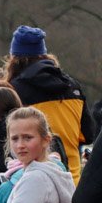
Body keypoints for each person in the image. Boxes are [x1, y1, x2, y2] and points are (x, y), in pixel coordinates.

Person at [6, 26, 93, 183]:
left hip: (35, 181)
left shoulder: (14, 90)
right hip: (72, 180)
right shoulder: (72, 86)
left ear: (14, 58)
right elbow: (88, 135)